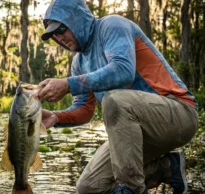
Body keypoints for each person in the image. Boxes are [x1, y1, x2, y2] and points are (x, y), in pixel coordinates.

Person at [37, 0, 199, 194]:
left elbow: (123, 70)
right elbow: (85, 109)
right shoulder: (78, 63)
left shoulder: (111, 26)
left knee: (114, 100)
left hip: (179, 114)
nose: (59, 37)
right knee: (89, 186)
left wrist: (68, 84)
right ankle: (167, 167)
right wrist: (55, 117)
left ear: (76, 19)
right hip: (139, 132)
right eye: (54, 34)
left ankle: (132, 189)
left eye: (61, 29)